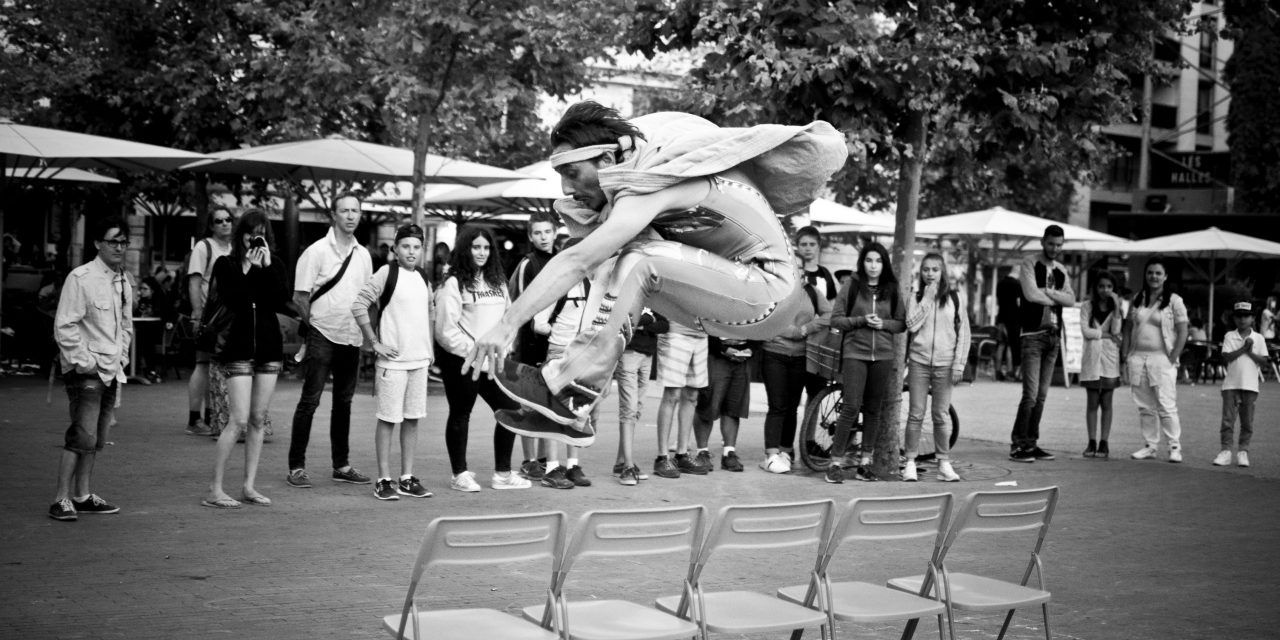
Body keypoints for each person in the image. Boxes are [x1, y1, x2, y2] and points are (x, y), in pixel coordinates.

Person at [468, 101, 847, 447]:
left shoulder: (652, 181)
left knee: (636, 259)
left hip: (768, 291)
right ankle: (574, 410)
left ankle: (571, 389)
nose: (566, 188)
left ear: (608, 158)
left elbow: (576, 261)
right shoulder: (640, 168)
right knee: (614, 259)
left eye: (572, 172)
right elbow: (590, 266)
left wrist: (507, 323)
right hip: (730, 291)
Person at [286, 193, 374, 489]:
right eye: (345, 211)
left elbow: (367, 297)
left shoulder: (363, 255)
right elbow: (300, 297)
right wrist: (317, 326)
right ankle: (296, 467)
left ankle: (342, 465)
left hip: (351, 337)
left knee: (344, 403)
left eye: (355, 211)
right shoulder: (316, 251)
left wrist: (367, 334)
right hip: (322, 334)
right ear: (333, 215)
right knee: (310, 401)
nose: (350, 216)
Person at [434, 225, 531, 492]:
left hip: (493, 363)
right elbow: (445, 330)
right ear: (465, 248)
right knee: (460, 415)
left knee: (512, 411)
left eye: (486, 247)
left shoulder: (498, 281)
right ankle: (459, 474)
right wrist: (474, 351)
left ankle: (502, 473)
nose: (481, 252)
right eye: (476, 247)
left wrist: (503, 346)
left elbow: (508, 320)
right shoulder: (453, 283)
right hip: (462, 362)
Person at [47, 217, 133, 522]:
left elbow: (126, 325)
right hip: (87, 370)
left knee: (96, 437)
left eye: (124, 242)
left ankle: (82, 495)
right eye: (113, 241)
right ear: (98, 243)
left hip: (111, 369)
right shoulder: (80, 278)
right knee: (81, 434)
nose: (119, 248)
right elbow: (65, 326)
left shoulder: (123, 280)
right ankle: (61, 498)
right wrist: (86, 362)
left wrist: (120, 356)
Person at [202, 210, 288, 509]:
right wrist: (248, 267)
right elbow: (234, 298)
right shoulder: (225, 265)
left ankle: (249, 485)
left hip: (268, 349)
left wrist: (265, 267)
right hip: (237, 349)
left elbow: (279, 299)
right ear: (241, 235)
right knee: (237, 420)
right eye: (251, 233)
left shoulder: (273, 264)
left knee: (257, 419)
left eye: (262, 233)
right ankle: (215, 489)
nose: (256, 239)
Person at [351, 224, 435, 500]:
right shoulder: (387, 273)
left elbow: (429, 312)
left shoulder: (423, 276)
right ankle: (383, 479)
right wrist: (374, 342)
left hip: (419, 360)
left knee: (412, 420)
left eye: (416, 247)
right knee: (388, 420)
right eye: (406, 246)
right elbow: (359, 304)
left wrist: (430, 348)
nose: (411, 252)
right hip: (393, 363)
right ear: (396, 249)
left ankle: (407, 478)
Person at [825, 241, 906, 484]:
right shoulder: (851, 285)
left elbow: (901, 323)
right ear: (863, 262)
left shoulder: (891, 288)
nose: (874, 265)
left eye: (878, 261)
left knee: (873, 410)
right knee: (850, 407)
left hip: (882, 355)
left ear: (884, 264)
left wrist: (884, 324)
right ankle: (835, 463)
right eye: (869, 260)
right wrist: (860, 320)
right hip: (855, 353)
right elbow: (837, 320)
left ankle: (865, 464)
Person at [1009, 225, 1074, 463]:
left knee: (1043, 395)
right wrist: (1056, 296)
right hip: (1032, 335)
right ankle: (1018, 445)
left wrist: (1048, 291)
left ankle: (1031, 443)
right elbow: (1030, 295)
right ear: (1042, 242)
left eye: (1059, 245)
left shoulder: (1061, 270)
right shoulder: (1029, 263)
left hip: (1054, 336)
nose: (1055, 249)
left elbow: (1071, 299)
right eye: (1051, 244)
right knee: (1031, 395)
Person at [903, 252, 970, 482]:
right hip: (919, 362)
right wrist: (927, 299)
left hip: (945, 363)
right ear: (920, 273)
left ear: (943, 272)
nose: (930, 274)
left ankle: (943, 462)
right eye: (926, 270)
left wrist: (959, 363)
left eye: (935, 269)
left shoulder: (955, 298)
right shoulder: (917, 296)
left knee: (941, 415)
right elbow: (911, 326)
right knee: (915, 414)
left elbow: (964, 334)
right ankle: (910, 462)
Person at [537, 249, 597, 489]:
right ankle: (552, 468)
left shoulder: (595, 286)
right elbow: (539, 322)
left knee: (577, 411)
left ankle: (572, 465)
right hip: (559, 353)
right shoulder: (559, 284)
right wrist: (559, 335)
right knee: (554, 411)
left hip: (583, 355)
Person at [508, 210, 560, 480]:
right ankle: (528, 460)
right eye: (537, 233)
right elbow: (518, 304)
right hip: (529, 344)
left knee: (547, 403)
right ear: (530, 236)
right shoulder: (528, 264)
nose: (543, 237)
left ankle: (542, 457)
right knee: (527, 403)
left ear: (555, 232)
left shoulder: (563, 260)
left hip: (555, 343)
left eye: (547, 232)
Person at [1124, 255, 1189, 463]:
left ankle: (1174, 446)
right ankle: (1150, 445)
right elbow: (1127, 327)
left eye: (1158, 273)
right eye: (1150, 272)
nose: (1154, 276)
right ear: (1145, 274)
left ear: (1166, 276)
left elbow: (1182, 331)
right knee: (1144, 406)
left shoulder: (1174, 301)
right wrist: (1126, 354)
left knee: (1166, 404)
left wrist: (1173, 356)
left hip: (1162, 358)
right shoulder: (1138, 298)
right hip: (1138, 357)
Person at [760, 281, 826, 474]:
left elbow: (829, 315)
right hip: (773, 352)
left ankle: (785, 451)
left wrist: (806, 329)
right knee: (777, 404)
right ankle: (771, 455)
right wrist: (790, 331)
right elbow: (763, 316)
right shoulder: (773, 287)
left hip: (801, 355)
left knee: (792, 406)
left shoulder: (811, 291)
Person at [184, 206, 235, 436]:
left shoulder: (234, 248)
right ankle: (195, 419)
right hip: (209, 316)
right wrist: (197, 314)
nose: (225, 223)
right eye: (219, 220)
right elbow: (194, 282)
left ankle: (211, 415)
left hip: (228, 319)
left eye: (228, 219)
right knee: (203, 364)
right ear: (211, 225)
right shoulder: (203, 247)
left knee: (215, 366)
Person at [611, 307, 667, 485]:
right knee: (629, 408)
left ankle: (621, 462)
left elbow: (664, 325)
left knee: (637, 409)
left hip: (647, 355)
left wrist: (645, 323)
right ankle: (627, 466)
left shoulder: (652, 297)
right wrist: (645, 320)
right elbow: (625, 322)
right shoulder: (626, 292)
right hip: (628, 353)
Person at [1214, 301, 1270, 468]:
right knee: (1227, 420)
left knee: (1247, 422)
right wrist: (1244, 348)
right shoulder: (1230, 336)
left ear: (1253, 318)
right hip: (1231, 384)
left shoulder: (1258, 338)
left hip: (1250, 385)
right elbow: (1227, 357)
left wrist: (1250, 350)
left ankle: (1243, 451)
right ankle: (1225, 451)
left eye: (1246, 316)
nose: (1242, 319)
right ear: (1234, 318)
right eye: (1239, 316)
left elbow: (1264, 362)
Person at [652, 321, 710, 478]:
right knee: (672, 394)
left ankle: (682, 455)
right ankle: (662, 457)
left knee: (692, 395)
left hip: (701, 334)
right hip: (675, 332)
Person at [693, 335, 758, 472]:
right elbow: (705, 324)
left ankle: (729, 452)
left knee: (734, 406)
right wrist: (722, 349)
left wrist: (751, 349)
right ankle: (702, 451)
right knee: (708, 402)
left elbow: (759, 324)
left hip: (744, 354)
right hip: (716, 353)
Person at [1079, 270, 1123, 459]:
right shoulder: (1087, 306)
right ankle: (1091, 441)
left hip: (1109, 359)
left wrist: (1118, 308)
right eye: (1101, 286)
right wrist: (1106, 336)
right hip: (1092, 358)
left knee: (1107, 402)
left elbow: (1117, 329)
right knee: (1092, 402)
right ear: (1095, 288)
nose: (1105, 290)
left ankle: (1104, 442)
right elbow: (1086, 331)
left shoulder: (1115, 308)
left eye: (1109, 287)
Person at [995, 265, 1023, 381]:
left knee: (1001, 344)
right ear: (1018, 272)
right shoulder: (1017, 284)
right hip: (1014, 319)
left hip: (1001, 318)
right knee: (1013, 345)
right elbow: (1019, 302)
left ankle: (998, 371)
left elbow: (998, 300)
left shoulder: (1000, 283)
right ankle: (1012, 372)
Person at [796, 226, 837, 301]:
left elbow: (831, 301)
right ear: (797, 246)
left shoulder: (825, 273)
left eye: (812, 244)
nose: (808, 248)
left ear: (818, 246)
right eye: (804, 244)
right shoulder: (791, 271)